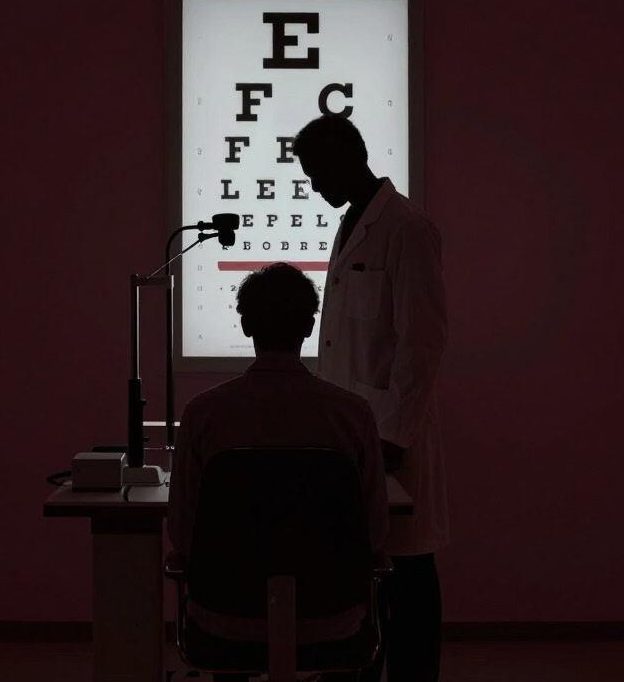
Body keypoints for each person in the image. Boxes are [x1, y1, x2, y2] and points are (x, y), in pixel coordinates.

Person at [166, 262, 390, 682]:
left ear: (246, 326)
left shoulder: (203, 415)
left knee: (231, 635)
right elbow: (375, 535)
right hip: (332, 617)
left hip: (225, 616)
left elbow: (182, 532)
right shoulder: (352, 415)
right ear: (309, 326)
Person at [293, 113, 450, 682]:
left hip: (388, 433)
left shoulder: (407, 228)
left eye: (317, 173)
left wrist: (395, 434)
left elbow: (423, 342)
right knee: (363, 569)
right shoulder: (353, 221)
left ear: (349, 159)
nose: (313, 186)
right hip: (348, 431)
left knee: (409, 565)